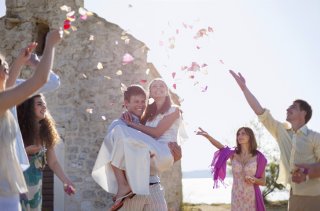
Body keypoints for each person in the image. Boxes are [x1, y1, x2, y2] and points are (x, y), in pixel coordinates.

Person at [230, 70, 320, 211]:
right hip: (294, 195)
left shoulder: (315, 138)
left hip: (316, 195)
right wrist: (244, 89)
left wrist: (307, 173)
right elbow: (259, 111)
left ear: (304, 114)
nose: (287, 108)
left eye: (293, 107)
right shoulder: (281, 132)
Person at [92, 80, 184, 211]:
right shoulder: (119, 125)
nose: (140, 105)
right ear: (126, 103)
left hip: (153, 186)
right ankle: (123, 186)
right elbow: (112, 155)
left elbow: (157, 150)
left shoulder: (148, 122)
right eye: (136, 102)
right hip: (132, 192)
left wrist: (175, 157)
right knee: (117, 132)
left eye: (143, 101)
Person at [0, 29, 62, 211]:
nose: (6, 67)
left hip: (8, 188)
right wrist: (50, 44)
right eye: (3, 66)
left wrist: (22, 61)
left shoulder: (6, 97)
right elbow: (41, 79)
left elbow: (11, 84)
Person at [17, 93, 75, 210]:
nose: (44, 107)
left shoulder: (45, 133)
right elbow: (7, 157)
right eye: (39, 104)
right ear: (28, 108)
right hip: (16, 188)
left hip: (35, 192)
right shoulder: (18, 129)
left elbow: (53, 162)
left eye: (44, 105)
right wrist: (25, 151)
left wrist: (66, 181)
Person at [196, 127, 267, 211]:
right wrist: (208, 137)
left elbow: (263, 181)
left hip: (251, 195)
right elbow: (221, 147)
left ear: (250, 136)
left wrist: (254, 179)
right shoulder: (233, 153)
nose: (240, 136)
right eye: (238, 134)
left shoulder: (259, 157)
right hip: (236, 195)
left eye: (243, 133)